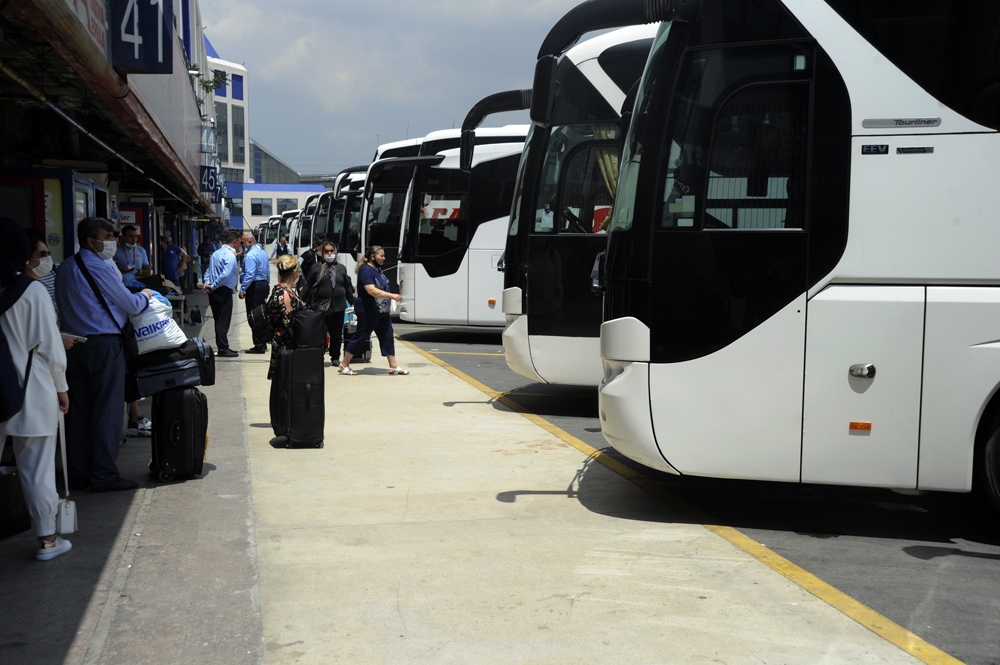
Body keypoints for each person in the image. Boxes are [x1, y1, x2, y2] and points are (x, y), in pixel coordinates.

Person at [56, 217, 154, 492]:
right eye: (109, 235)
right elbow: (131, 305)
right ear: (91, 241)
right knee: (108, 413)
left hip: (73, 346)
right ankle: (103, 474)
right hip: (103, 346)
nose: (114, 239)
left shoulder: (65, 267)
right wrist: (146, 294)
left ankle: (78, 473)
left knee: (79, 413)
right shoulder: (100, 267)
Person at [0, 219, 73, 560]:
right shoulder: (32, 291)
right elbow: (50, 350)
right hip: (30, 391)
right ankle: (47, 540)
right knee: (37, 468)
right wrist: (62, 387)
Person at [339, 245, 408, 375]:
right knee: (361, 336)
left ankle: (393, 365)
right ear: (372, 256)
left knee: (387, 336)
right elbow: (371, 290)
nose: (384, 258)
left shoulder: (378, 270)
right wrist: (392, 295)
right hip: (368, 310)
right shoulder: (366, 270)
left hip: (381, 311)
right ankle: (344, 364)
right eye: (381, 256)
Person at [266, 255, 306, 424]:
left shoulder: (280, 290)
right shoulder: (285, 294)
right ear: (295, 272)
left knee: (282, 382)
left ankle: (284, 416)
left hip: (282, 344)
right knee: (284, 383)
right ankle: (285, 418)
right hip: (285, 346)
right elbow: (288, 322)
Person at [302, 241, 354, 367]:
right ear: (322, 253)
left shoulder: (341, 268)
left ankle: (335, 357)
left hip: (338, 306)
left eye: (332, 251)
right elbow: (308, 286)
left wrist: (353, 302)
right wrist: (302, 299)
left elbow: (347, 287)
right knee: (319, 332)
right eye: (327, 251)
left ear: (336, 252)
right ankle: (318, 354)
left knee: (336, 334)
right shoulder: (316, 267)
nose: (329, 254)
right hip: (319, 307)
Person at [203, 231, 242, 358]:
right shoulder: (230, 256)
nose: (240, 245)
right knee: (223, 320)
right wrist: (213, 286)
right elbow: (225, 275)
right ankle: (223, 348)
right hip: (222, 290)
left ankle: (222, 346)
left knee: (218, 319)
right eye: (239, 242)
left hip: (214, 290)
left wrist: (207, 283)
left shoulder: (216, 253)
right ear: (235, 242)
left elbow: (209, 270)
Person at [239, 231, 270, 354]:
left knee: (253, 315)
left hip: (255, 286)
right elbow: (267, 272)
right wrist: (267, 285)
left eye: (243, 242)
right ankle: (262, 340)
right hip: (263, 285)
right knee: (262, 314)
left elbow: (250, 274)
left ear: (250, 242)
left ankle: (259, 344)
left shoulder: (250, 255)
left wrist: (242, 289)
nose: (242, 244)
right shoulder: (263, 253)